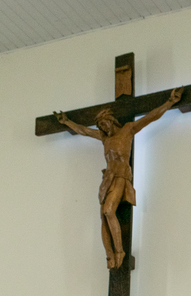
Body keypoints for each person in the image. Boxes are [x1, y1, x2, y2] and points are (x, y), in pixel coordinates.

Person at [54, 87, 183, 269]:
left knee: (108, 211)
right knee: (103, 217)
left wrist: (170, 102)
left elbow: (151, 117)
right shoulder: (104, 138)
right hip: (107, 179)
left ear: (111, 120)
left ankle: (120, 251)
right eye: (100, 126)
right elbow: (83, 131)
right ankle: (109, 255)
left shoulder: (127, 130)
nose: (102, 128)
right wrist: (67, 122)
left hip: (122, 177)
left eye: (104, 124)